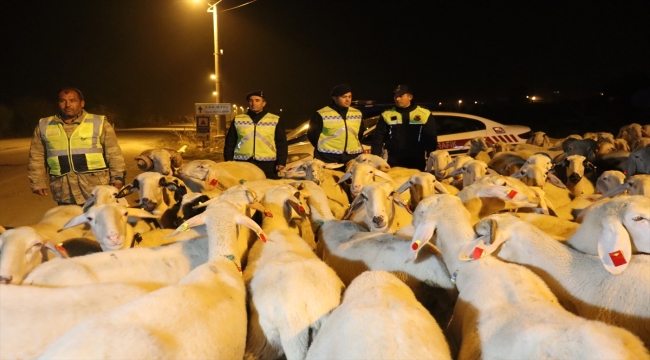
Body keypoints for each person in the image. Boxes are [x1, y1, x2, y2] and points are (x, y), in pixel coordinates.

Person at [28, 88, 126, 205]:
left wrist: (118, 177)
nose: (67, 105)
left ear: (82, 103)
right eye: (62, 101)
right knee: (70, 222)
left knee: (98, 222)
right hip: (63, 190)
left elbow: (114, 153)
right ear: (58, 103)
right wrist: (37, 182)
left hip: (96, 189)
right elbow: (36, 156)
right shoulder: (44, 125)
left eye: (72, 100)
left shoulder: (99, 122)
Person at [223, 90, 287, 179]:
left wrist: (281, 161)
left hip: (268, 164)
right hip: (242, 162)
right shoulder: (238, 119)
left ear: (264, 103)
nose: (253, 103)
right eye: (250, 100)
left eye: (257, 100)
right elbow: (230, 142)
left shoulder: (274, 119)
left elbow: (281, 143)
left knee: (266, 189)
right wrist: (228, 161)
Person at [371, 85, 437, 169]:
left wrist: (432, 157)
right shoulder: (387, 114)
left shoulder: (424, 114)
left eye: (400, 96)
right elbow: (378, 138)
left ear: (410, 97)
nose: (397, 99)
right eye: (395, 96)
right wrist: (375, 157)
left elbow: (431, 138)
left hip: (416, 160)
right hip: (394, 160)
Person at [307, 84, 367, 165]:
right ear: (334, 98)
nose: (348, 100)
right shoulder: (322, 114)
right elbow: (312, 135)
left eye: (350, 96)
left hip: (352, 156)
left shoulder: (357, 113)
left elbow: (360, 133)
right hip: (327, 157)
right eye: (344, 97)